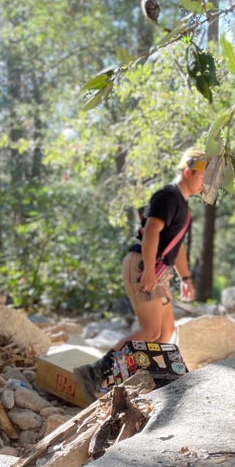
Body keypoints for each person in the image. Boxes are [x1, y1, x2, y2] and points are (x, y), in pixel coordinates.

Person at [76, 146, 207, 399]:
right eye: (203, 176)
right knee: (149, 330)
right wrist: (147, 269)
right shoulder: (167, 196)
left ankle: (147, 378)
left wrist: (186, 278)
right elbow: (151, 232)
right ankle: (95, 374)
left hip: (158, 269)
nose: (206, 183)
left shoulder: (182, 205)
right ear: (188, 172)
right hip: (142, 264)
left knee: (165, 331)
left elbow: (176, 248)